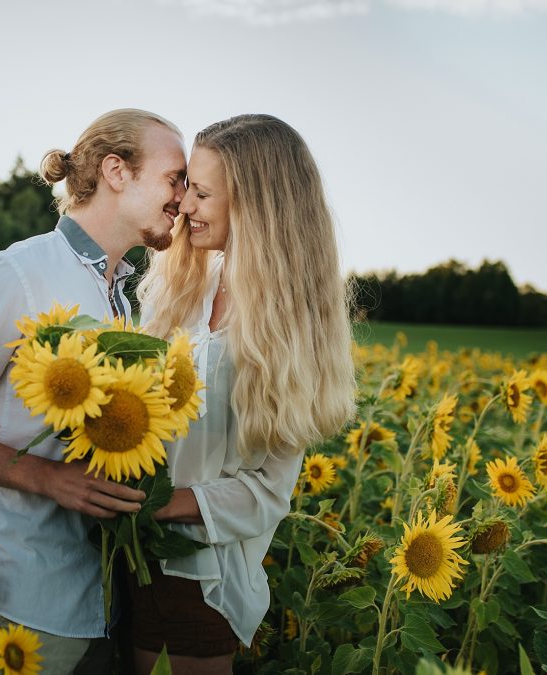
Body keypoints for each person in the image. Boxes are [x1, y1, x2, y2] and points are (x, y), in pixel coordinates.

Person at [0, 108, 187, 675]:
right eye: (174, 177)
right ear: (116, 170)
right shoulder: (20, 272)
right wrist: (44, 476)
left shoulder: (129, 298)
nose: (184, 195)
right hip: (17, 593)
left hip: (102, 595)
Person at [134, 114, 357, 674]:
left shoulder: (288, 326)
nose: (185, 206)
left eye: (203, 193)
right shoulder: (182, 285)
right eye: (187, 188)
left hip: (202, 580)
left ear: (258, 206)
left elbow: (267, 493)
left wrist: (155, 505)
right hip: (123, 559)